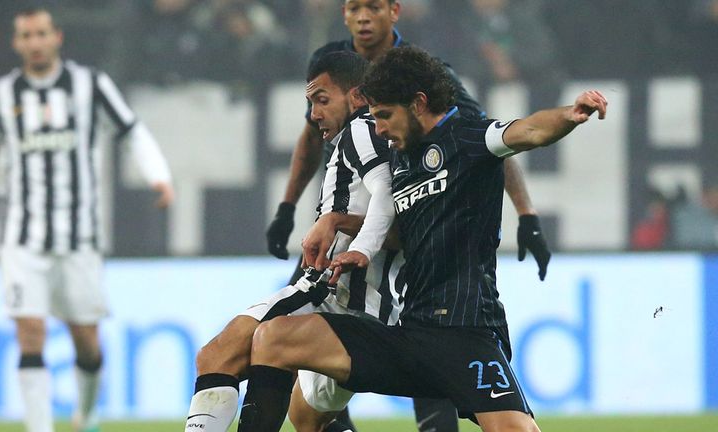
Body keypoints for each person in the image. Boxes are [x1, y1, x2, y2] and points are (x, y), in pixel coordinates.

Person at [236, 46, 607, 432]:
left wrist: (569, 115)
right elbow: (393, 228)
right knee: (276, 341)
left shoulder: (467, 136)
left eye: (384, 116)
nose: (378, 129)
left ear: (417, 103)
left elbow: (529, 130)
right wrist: (341, 225)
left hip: (467, 335)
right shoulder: (400, 159)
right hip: (410, 334)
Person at [265, 1, 549, 429]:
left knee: (426, 351)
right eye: (354, 6)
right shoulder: (332, 67)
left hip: (405, 238)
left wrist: (525, 213)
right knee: (290, 354)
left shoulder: (426, 73)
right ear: (343, 14)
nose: (363, 16)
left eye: (373, 6)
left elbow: (487, 141)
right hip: (343, 236)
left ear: (394, 11)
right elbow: (310, 139)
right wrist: (287, 208)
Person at [0, 8, 174, 432]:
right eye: (25, 35)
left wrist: (158, 176)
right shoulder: (0, 96)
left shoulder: (90, 86)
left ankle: (86, 416)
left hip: (80, 239)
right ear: (16, 44)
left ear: (57, 37)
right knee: (29, 331)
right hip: (21, 237)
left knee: (86, 343)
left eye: (41, 33)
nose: (34, 42)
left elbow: (131, 131)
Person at [184, 51, 398, 432]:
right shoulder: (370, 136)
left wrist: (352, 240)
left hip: (335, 295)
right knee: (305, 415)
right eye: (310, 102)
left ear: (357, 96)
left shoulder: (362, 129)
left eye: (322, 100)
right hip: (368, 309)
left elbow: (388, 196)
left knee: (215, 357)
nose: (314, 114)